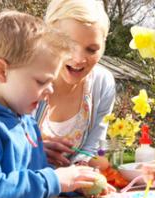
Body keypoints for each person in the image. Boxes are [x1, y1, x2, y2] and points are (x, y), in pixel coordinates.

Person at [0, 10, 104, 198]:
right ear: (1, 71)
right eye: (41, 81)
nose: (50, 90)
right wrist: (55, 179)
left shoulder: (25, 122)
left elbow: (31, 176)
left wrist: (75, 183)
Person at [34, 0, 116, 168]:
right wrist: (33, 151)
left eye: (91, 49)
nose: (79, 59)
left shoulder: (102, 84)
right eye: (69, 44)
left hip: (71, 192)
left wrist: (83, 167)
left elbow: (92, 148)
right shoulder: (26, 79)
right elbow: (0, 144)